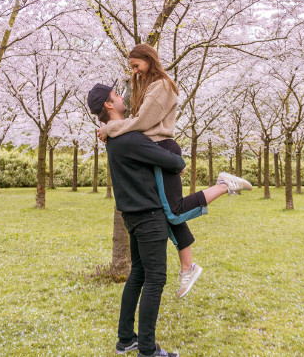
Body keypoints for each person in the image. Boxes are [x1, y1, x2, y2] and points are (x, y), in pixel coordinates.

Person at [98, 43, 252, 298]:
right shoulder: (148, 85)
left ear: (148, 59)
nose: (134, 71)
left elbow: (143, 122)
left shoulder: (162, 86)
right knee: (166, 212)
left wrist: (109, 129)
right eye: (132, 68)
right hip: (154, 151)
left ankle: (224, 185)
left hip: (161, 149)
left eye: (136, 65)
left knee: (174, 209)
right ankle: (187, 266)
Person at [87, 81, 182, 357]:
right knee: (156, 278)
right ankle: (148, 351)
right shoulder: (130, 139)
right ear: (108, 104)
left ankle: (126, 339)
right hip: (148, 215)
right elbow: (174, 163)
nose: (121, 97)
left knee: (139, 273)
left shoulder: (116, 137)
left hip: (131, 214)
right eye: (116, 95)